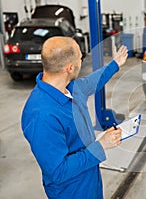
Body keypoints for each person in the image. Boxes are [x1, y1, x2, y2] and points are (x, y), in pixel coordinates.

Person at [21, 36, 128, 199]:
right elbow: (58, 171)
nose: (81, 60)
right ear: (70, 68)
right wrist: (102, 145)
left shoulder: (70, 88)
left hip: (89, 179)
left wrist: (115, 64)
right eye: (80, 57)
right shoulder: (41, 115)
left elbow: (93, 81)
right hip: (71, 191)